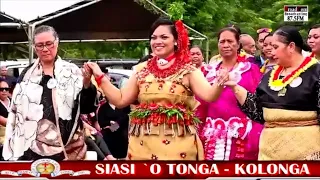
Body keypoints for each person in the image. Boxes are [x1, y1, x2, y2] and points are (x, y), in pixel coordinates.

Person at [85, 17, 229, 160]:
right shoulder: (141, 69)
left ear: (175, 41)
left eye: (164, 37)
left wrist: (220, 82)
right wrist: (100, 77)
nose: (157, 41)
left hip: (178, 147)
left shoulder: (188, 70)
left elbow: (210, 95)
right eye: (154, 38)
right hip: (143, 146)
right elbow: (121, 99)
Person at [2, 25, 97, 161]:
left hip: (70, 148)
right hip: (34, 148)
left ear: (57, 43)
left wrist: (87, 84)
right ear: (34, 47)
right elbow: (17, 113)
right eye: (40, 45)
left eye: (49, 44)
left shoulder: (72, 71)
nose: (45, 49)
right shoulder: (26, 75)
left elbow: (87, 107)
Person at [225, 26, 320, 160]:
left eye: (276, 47)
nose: (271, 51)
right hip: (269, 155)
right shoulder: (270, 75)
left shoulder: (316, 73)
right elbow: (258, 112)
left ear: (291, 46)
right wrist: (235, 87)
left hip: (306, 154)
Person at [197, 27, 263, 160]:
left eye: (230, 41)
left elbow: (258, 103)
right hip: (212, 134)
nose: (226, 45)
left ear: (238, 44)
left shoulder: (251, 70)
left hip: (243, 135)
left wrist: (256, 133)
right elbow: (200, 104)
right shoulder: (207, 71)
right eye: (222, 41)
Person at [91, 73, 131, 160]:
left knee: (123, 135)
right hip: (109, 130)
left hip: (122, 130)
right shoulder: (103, 107)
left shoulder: (124, 105)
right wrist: (109, 123)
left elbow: (127, 116)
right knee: (106, 136)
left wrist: (117, 123)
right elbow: (101, 121)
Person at [0, 80, 10, 160]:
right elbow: (5, 122)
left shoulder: (13, 101)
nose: (4, 91)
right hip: (2, 139)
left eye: (6, 89)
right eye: (1, 89)